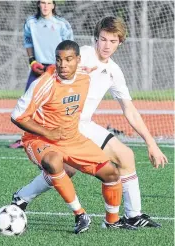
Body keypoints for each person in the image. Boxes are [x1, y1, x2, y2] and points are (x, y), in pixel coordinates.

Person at [12, 16, 168, 228]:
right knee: (64, 169)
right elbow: (56, 71)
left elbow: (129, 109)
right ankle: (23, 196)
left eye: (113, 41)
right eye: (103, 39)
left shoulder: (114, 70)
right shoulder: (82, 55)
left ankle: (132, 215)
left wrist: (151, 143)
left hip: (83, 124)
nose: (107, 45)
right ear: (96, 38)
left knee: (125, 156)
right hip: (60, 124)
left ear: (120, 43)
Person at [11, 40, 136, 234]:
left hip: (72, 139)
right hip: (39, 139)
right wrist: (48, 132)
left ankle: (112, 221)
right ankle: (80, 214)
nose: (63, 64)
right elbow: (17, 116)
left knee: (111, 173)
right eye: (59, 60)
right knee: (54, 162)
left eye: (69, 59)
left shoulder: (84, 76)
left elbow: (93, 68)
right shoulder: (44, 83)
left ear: (78, 60)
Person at [10, 0, 73, 148]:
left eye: (49, 3)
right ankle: (25, 139)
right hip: (37, 67)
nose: (45, 6)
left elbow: (69, 47)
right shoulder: (30, 22)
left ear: (53, 5)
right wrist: (32, 61)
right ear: (38, 4)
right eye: (42, 2)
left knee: (58, 103)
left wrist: (58, 65)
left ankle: (62, 136)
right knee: (27, 103)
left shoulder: (62, 24)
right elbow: (28, 43)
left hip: (57, 67)